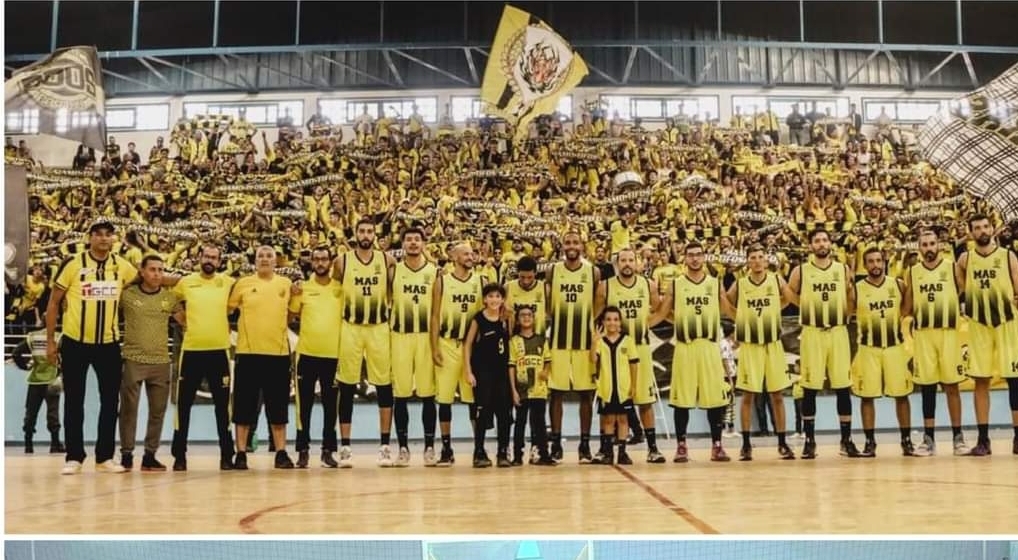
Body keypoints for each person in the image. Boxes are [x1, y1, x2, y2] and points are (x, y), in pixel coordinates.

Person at [46, 219, 139, 475]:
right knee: (73, 401)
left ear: (114, 239)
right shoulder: (73, 264)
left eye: (108, 234)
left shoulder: (122, 266)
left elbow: (147, 279)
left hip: (108, 345)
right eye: (98, 234)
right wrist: (51, 341)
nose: (104, 238)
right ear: (90, 237)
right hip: (75, 343)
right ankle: (74, 456)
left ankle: (104, 457)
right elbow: (53, 303)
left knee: (110, 402)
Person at [649, 241, 734, 462]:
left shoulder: (715, 284)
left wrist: (747, 324)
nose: (695, 258)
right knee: (682, 400)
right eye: (691, 255)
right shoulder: (676, 285)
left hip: (709, 346)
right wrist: (637, 326)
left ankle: (717, 445)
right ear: (684, 259)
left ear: (704, 257)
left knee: (715, 400)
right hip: (685, 346)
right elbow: (661, 313)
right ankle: (681, 446)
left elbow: (730, 311)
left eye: (698, 254)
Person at [785, 229, 861, 459]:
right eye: (817, 240)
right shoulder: (801, 270)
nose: (821, 244)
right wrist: (805, 305)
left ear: (830, 244)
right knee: (810, 388)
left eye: (825, 240)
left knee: (843, 387)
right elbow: (788, 293)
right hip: (813, 332)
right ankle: (809, 441)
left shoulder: (842, 269)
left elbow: (850, 296)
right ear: (811, 246)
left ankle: (846, 440)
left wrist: (846, 314)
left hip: (837, 331)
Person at [333, 218, 397, 467]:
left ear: (375, 235)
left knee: (384, 385)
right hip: (351, 326)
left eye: (370, 231)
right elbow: (334, 292)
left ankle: (385, 446)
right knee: (347, 385)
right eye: (362, 231)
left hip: (379, 326)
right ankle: (345, 447)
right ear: (356, 234)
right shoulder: (342, 261)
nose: (366, 235)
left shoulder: (387, 260)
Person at [902, 229, 970, 456]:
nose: (929, 248)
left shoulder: (952, 267)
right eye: (925, 245)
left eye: (932, 244)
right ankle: (928, 439)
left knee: (952, 387)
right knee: (927, 388)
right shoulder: (913, 272)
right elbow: (907, 308)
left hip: (948, 332)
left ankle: (958, 438)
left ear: (939, 245)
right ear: (919, 248)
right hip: (924, 335)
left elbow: (965, 291)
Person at [852, 247, 924, 457]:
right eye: (871, 261)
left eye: (878, 260)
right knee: (867, 397)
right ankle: (869, 442)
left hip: (895, 347)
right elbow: (847, 311)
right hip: (868, 348)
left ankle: (906, 440)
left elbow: (906, 310)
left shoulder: (898, 285)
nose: (875, 265)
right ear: (865, 265)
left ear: (884, 262)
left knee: (901, 395)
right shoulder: (856, 289)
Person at [228, 245, 295, 469]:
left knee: (278, 408)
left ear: (276, 261)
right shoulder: (243, 284)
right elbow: (227, 309)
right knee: (243, 408)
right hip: (248, 354)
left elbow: (292, 313)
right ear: (254, 261)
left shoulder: (286, 284)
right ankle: (240, 453)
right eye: (260, 256)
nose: (265, 259)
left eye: (269, 256)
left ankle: (281, 452)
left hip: (278, 355)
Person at [955, 214, 1018, 455]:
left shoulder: (1008, 256)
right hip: (979, 324)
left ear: (992, 229)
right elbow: (962, 287)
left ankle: (1017, 437)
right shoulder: (965, 259)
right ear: (971, 232)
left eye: (985, 226)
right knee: (981, 380)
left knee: (1014, 379)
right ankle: (983, 439)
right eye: (977, 228)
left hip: (1006, 322)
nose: (982, 231)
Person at [170, 245, 236, 471]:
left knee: (223, 407)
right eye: (206, 256)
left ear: (219, 261)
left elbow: (239, 299)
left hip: (219, 351)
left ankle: (227, 456)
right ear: (199, 258)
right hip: (191, 352)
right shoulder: (186, 282)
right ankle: (179, 456)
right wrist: (182, 319)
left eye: (214, 257)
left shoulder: (227, 282)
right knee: (183, 406)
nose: (210, 260)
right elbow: (170, 301)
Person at [595, 247, 664, 463]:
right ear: (617, 264)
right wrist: (595, 338)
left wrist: (648, 323)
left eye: (630, 260)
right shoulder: (605, 286)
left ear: (637, 263)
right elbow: (594, 314)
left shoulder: (648, 285)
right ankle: (604, 449)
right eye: (623, 260)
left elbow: (660, 309)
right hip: (612, 351)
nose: (627, 264)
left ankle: (653, 449)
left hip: (640, 347)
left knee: (645, 401)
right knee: (608, 403)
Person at [727, 244, 795, 460]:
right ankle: (746, 444)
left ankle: (782, 442)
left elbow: (790, 298)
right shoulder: (740, 284)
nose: (757, 261)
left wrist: (776, 306)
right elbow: (725, 303)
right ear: (747, 261)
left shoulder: (776, 280)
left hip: (772, 343)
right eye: (753, 257)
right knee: (748, 395)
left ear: (766, 260)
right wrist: (740, 318)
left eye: (760, 257)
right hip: (750, 345)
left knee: (777, 395)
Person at [118, 255, 179, 471]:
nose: (157, 274)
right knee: (128, 410)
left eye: (161, 270)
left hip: (161, 361)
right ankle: (126, 454)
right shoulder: (127, 295)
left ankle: (150, 455)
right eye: (152, 269)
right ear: (142, 271)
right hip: (133, 359)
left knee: (158, 411)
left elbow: (184, 320)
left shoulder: (169, 298)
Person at [546, 231, 600, 463]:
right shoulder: (553, 270)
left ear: (582, 246)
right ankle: (556, 444)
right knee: (556, 393)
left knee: (585, 393)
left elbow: (598, 302)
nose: (571, 246)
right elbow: (547, 303)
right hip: (558, 340)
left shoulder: (593, 271)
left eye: (575, 242)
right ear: (562, 246)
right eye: (567, 242)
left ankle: (584, 445)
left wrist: (589, 324)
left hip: (584, 341)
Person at [430, 242, 485, 466]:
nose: (470, 257)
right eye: (466, 254)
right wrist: (434, 347)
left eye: (472, 254)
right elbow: (435, 316)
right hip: (447, 343)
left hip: (472, 347)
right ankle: (446, 448)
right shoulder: (442, 281)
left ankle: (479, 448)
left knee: (474, 400)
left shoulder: (481, 281)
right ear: (454, 257)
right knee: (444, 400)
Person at [288, 246, 342, 468]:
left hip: (333, 356)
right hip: (307, 355)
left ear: (330, 262)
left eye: (324, 259)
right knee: (304, 407)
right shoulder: (303, 288)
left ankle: (328, 451)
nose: (320, 263)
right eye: (316, 259)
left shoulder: (340, 289)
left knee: (331, 407)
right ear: (311, 262)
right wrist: (291, 293)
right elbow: (291, 315)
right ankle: (303, 451)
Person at [389, 228, 439, 466]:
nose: (413, 243)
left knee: (428, 394)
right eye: (408, 239)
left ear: (423, 243)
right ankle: (403, 448)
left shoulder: (434, 272)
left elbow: (437, 311)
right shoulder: (394, 270)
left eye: (417, 239)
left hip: (425, 337)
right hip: (400, 336)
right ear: (403, 244)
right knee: (400, 394)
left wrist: (436, 344)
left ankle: (429, 447)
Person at [463, 283, 513, 468]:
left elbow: (511, 341)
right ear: (484, 299)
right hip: (483, 371)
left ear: (502, 299)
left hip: (502, 372)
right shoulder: (478, 319)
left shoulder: (507, 318)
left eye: (497, 296)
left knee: (504, 414)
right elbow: (467, 345)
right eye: (490, 296)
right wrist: (468, 371)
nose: (494, 299)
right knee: (482, 413)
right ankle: (479, 452)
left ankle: (503, 452)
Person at [508, 306, 555, 466]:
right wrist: (513, 390)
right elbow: (511, 366)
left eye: (529, 315)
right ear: (517, 319)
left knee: (539, 423)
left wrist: (546, 371)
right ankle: (517, 456)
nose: (526, 318)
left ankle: (544, 454)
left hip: (539, 390)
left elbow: (548, 361)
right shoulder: (514, 341)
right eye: (522, 315)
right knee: (520, 422)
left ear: (534, 319)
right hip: (522, 390)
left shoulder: (542, 340)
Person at [590, 306, 637, 465]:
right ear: (603, 322)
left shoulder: (628, 341)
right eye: (608, 319)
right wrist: (594, 342)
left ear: (620, 322)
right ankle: (608, 452)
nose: (612, 323)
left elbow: (633, 364)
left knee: (623, 419)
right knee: (609, 420)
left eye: (616, 319)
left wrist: (634, 385)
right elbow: (593, 360)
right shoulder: (600, 342)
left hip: (624, 388)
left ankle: (622, 452)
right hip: (607, 388)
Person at [22, 327, 64, 454]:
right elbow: (67, 357)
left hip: (35, 380)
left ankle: (28, 445)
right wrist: (61, 371)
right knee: (53, 413)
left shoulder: (32, 337)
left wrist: (25, 366)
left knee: (31, 413)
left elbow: (15, 353)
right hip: (52, 380)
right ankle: (55, 444)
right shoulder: (58, 337)